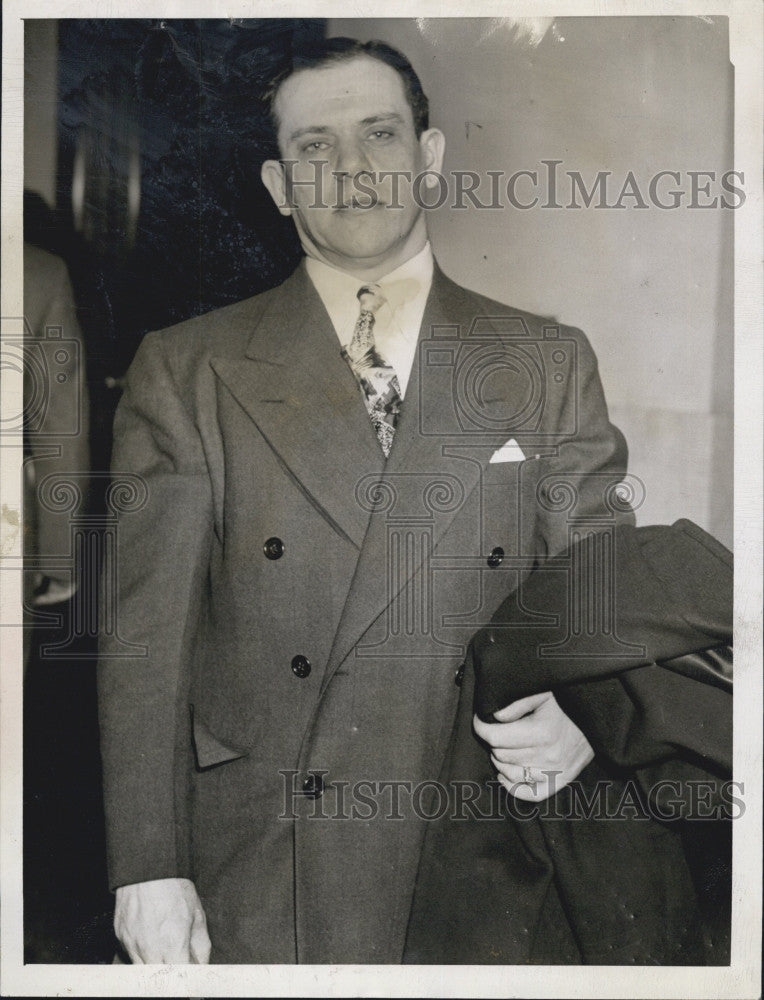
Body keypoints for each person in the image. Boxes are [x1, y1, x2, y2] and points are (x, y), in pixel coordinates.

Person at [98, 37, 632, 964]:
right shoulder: (187, 368)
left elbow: (603, 585)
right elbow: (145, 642)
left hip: (482, 845)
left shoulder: (546, 362)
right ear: (277, 184)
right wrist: (147, 867)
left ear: (428, 158)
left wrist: (588, 719)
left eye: (380, 134)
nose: (350, 170)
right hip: (262, 859)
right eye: (314, 147)